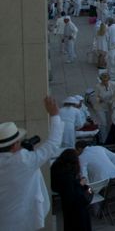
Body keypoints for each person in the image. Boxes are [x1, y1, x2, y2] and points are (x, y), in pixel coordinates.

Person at [0, 96, 64, 231]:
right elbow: (53, 143)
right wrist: (55, 115)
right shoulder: (24, 161)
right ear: (14, 145)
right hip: (23, 221)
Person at [50, 148, 93, 231]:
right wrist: (80, 183)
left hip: (67, 206)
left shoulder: (57, 169)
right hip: (77, 207)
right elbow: (72, 194)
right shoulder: (68, 176)